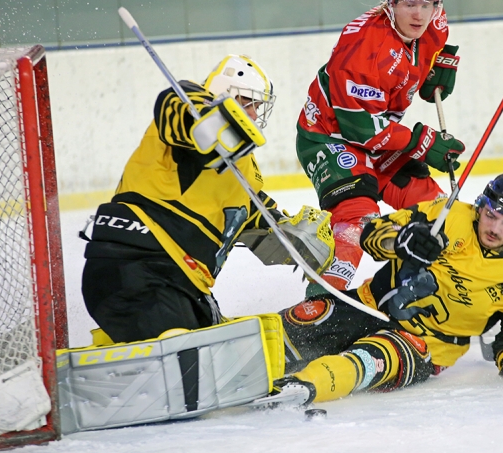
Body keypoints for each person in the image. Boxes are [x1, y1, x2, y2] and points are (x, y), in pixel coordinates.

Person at [254, 172, 503, 408]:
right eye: (491, 215)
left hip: (424, 345)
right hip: (368, 305)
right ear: (481, 206)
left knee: (364, 362)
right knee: (300, 324)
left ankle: (298, 389)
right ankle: (232, 351)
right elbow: (372, 233)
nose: (495, 228)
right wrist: (401, 240)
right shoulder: (447, 215)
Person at [81, 54, 333, 344]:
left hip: (184, 286)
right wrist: (213, 119)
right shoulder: (189, 104)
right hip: (134, 267)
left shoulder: (244, 170)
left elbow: (266, 223)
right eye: (247, 102)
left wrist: (300, 237)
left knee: (225, 352)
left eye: (257, 106)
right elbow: (178, 109)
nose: (253, 114)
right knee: (187, 355)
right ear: (224, 94)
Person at [297, 0, 467, 295]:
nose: (419, 14)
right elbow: (361, 129)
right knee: (358, 220)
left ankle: (436, 289)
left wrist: (438, 65)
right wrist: (424, 142)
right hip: (332, 138)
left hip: (384, 137)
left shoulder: (434, 21)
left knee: (436, 212)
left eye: (428, 4)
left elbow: (430, 49)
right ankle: (319, 305)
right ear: (391, 2)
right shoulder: (361, 48)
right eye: (409, 3)